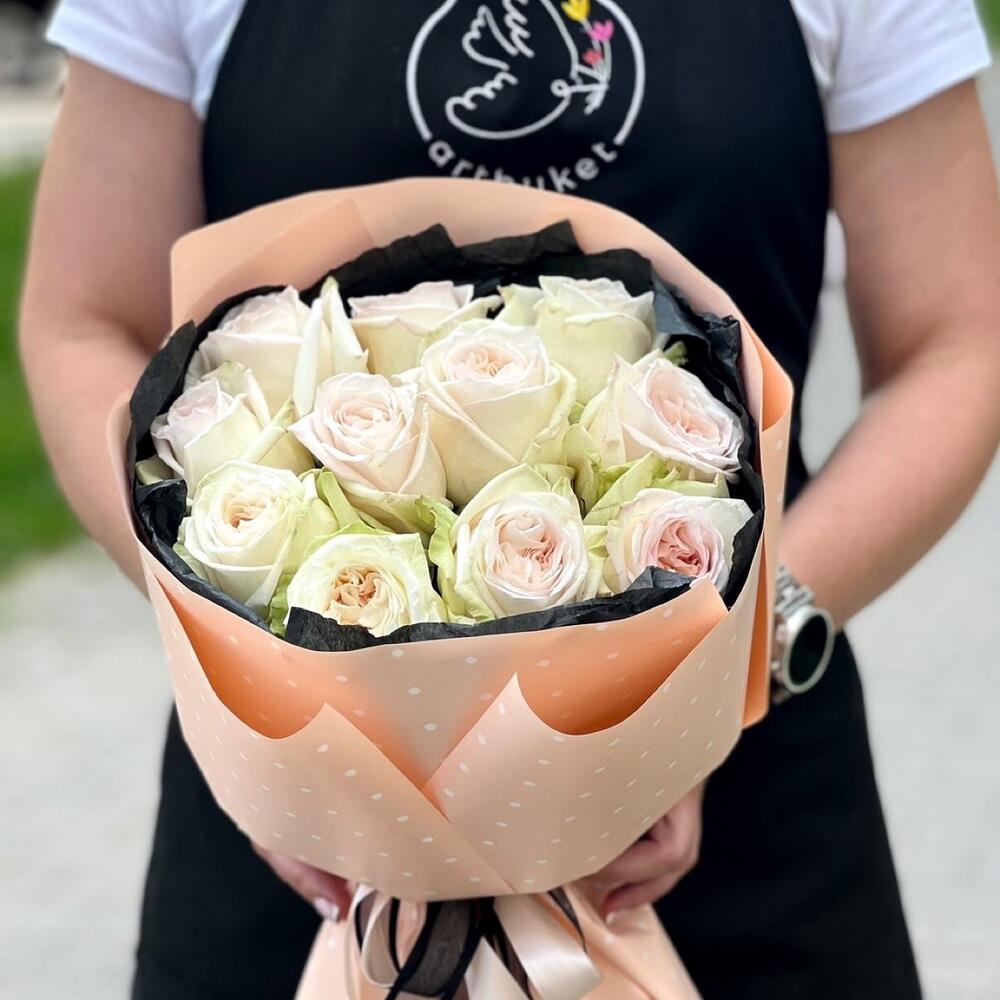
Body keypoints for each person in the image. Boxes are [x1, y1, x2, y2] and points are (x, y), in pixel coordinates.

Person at [20, 1, 1000, 998]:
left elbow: (955, 343)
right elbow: (82, 321)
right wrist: (245, 669)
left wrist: (727, 664)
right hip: (303, 814)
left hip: (738, 789)